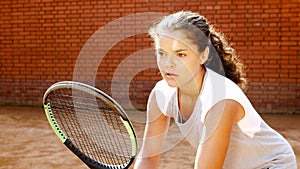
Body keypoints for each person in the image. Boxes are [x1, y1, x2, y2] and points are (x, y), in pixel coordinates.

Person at [133, 11, 297, 169]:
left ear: (203, 56)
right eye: (161, 53)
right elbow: (148, 157)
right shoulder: (161, 94)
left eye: (180, 54)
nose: (168, 63)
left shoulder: (221, 100)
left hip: (272, 165)